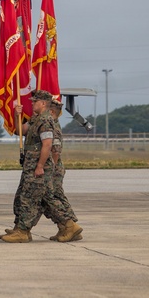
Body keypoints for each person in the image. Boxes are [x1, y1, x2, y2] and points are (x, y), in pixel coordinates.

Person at [1, 90, 81, 243]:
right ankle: (25, 229)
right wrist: (18, 116)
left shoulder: (46, 121)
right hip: (31, 166)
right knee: (34, 198)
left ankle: (24, 231)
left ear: (43, 103)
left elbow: (48, 144)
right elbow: (21, 131)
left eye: (34, 102)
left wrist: (40, 166)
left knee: (31, 199)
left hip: (38, 167)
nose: (32, 104)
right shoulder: (37, 120)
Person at [44, 97, 82, 241]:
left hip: (54, 169)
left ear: (52, 112)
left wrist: (50, 170)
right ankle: (67, 228)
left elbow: (55, 151)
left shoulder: (54, 127)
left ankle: (70, 226)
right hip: (54, 168)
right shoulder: (51, 124)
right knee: (57, 197)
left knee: (54, 198)